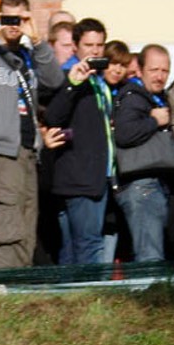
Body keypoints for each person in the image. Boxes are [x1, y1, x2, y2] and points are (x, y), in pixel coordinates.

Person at [0, 0, 63, 269]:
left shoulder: (29, 56)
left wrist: (37, 40)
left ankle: (20, 290)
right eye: (7, 17)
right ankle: (7, 288)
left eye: (20, 18)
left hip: (25, 151)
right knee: (5, 229)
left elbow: (55, 81)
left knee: (25, 227)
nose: (13, 24)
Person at [41, 19, 115, 266]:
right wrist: (72, 84)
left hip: (97, 175)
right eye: (89, 45)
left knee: (78, 247)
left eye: (100, 45)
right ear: (75, 46)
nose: (95, 51)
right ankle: (87, 298)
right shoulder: (66, 76)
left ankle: (74, 298)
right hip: (78, 176)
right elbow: (53, 116)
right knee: (87, 246)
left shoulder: (99, 81)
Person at [111, 43, 174, 263]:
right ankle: (150, 297)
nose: (160, 76)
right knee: (150, 255)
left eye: (164, 71)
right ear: (139, 70)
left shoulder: (154, 96)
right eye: (154, 70)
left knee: (152, 251)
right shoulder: (133, 96)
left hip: (152, 184)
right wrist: (154, 120)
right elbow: (124, 133)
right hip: (141, 186)